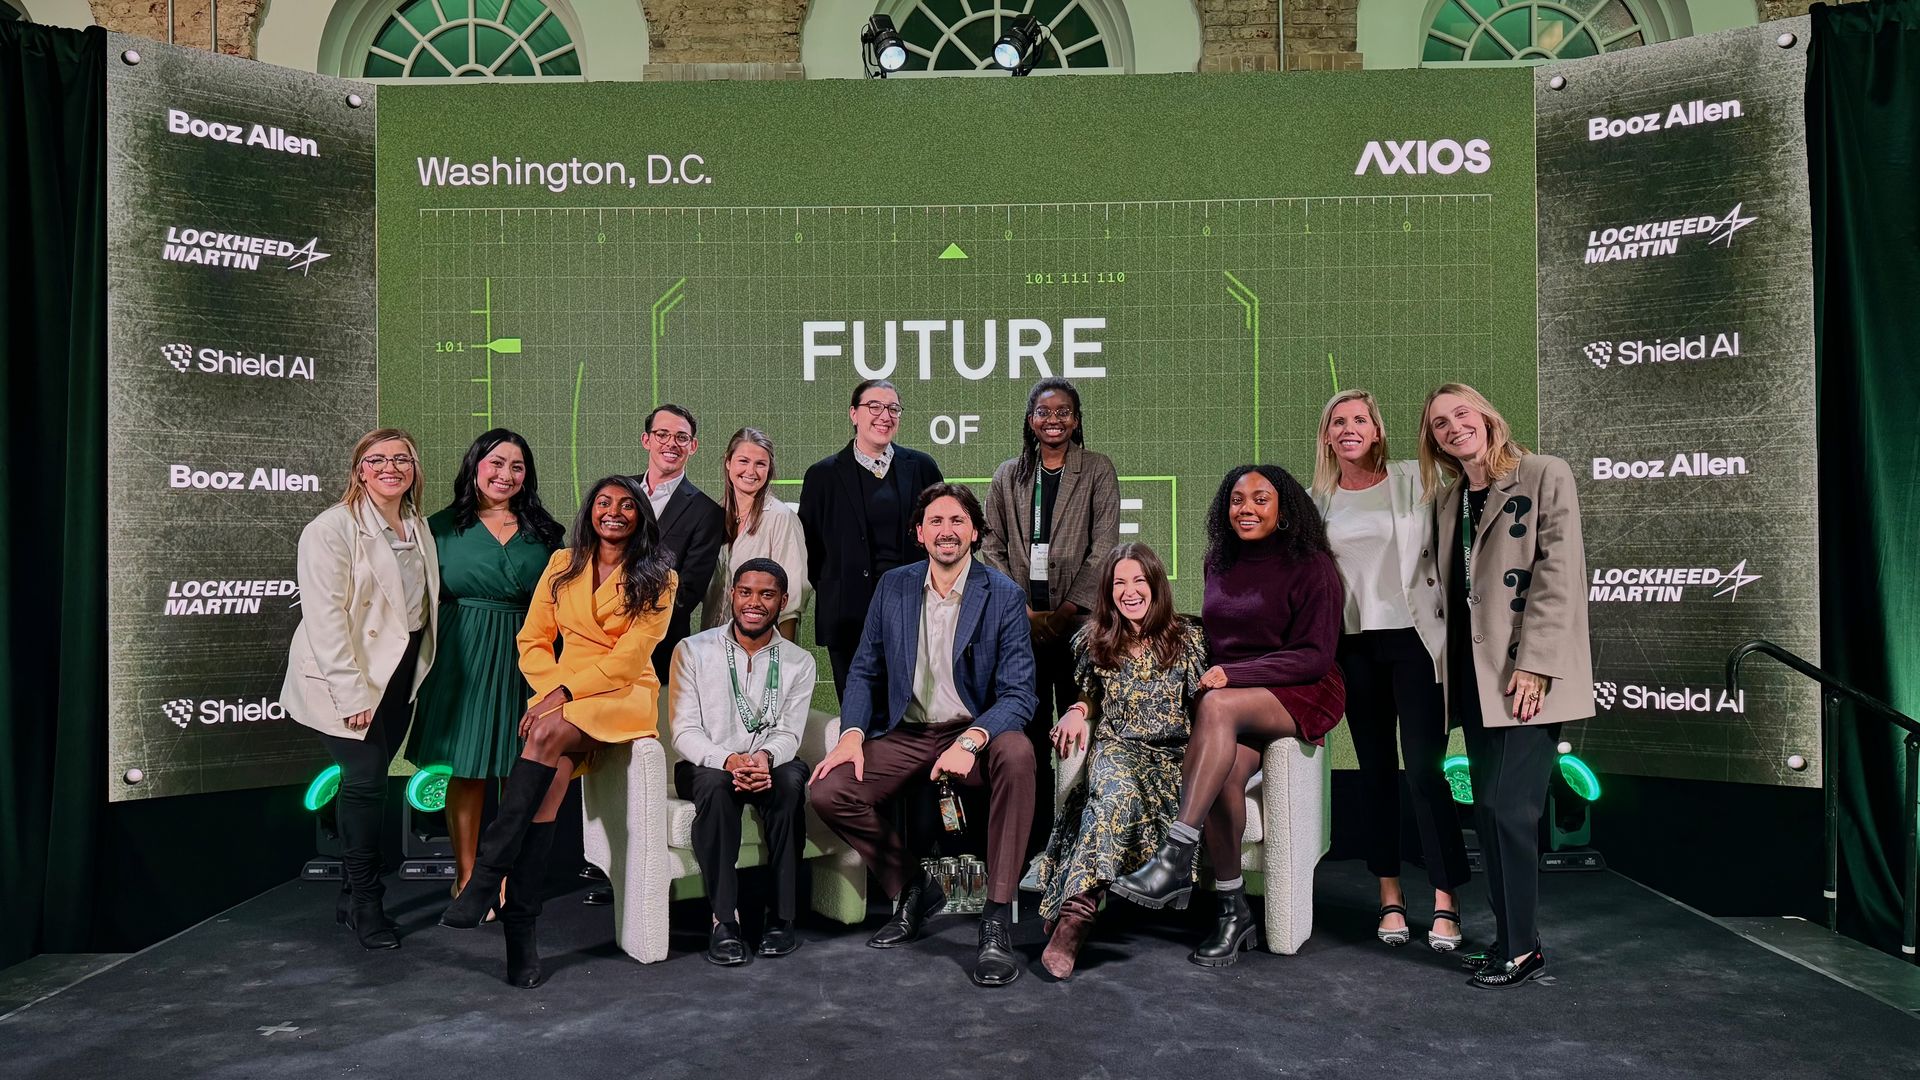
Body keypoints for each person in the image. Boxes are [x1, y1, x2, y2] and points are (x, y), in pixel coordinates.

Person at [440, 476, 676, 989]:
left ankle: (484, 878)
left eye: (627, 505)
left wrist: (562, 696)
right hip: (563, 698)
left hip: (623, 695)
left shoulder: (660, 576)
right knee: (545, 800)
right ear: (590, 511)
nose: (613, 512)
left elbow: (629, 658)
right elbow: (532, 640)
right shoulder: (561, 565)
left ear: (640, 517)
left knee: (543, 736)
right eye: (604, 503)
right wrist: (552, 692)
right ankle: (520, 935)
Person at [1110, 465, 1345, 969]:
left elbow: (1315, 655)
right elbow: (1221, 638)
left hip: (1301, 690)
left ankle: (1174, 855)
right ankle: (1232, 911)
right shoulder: (1219, 561)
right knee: (1220, 778)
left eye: (1261, 499)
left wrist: (1234, 677)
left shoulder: (1313, 565)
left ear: (1284, 509)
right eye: (1238, 500)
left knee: (1215, 704)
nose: (1248, 509)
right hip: (1237, 701)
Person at [809, 483, 1038, 987]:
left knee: (1019, 753)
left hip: (974, 729)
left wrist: (972, 740)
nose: (946, 531)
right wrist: (850, 733)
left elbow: (1020, 695)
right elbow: (866, 670)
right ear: (919, 534)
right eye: (935, 521)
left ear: (974, 532)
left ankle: (996, 919)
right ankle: (912, 886)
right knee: (829, 789)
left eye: (957, 521)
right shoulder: (894, 586)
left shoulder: (1002, 595)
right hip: (909, 731)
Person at [1419, 383, 1594, 989]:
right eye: (1439, 423)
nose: (1452, 427)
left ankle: (1521, 948)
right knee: (1491, 812)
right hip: (1474, 679)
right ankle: (1512, 940)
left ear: (1488, 416)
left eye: (1461, 414)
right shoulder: (1447, 501)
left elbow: (1558, 575)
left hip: (1526, 675)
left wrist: (1537, 663)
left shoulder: (1545, 473)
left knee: (1506, 809)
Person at [1311, 390, 1466, 951]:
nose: (1349, 428)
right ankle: (1390, 896)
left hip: (1417, 642)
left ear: (1377, 430)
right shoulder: (1317, 500)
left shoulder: (1414, 478)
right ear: (1326, 436)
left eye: (1360, 420)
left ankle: (1447, 900)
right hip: (1354, 649)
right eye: (1338, 422)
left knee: (1425, 771)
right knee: (1376, 772)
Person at [280, 429, 438, 951]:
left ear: (413, 469)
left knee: (367, 781)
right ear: (360, 470)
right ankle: (367, 904)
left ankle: (352, 894)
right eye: (378, 460)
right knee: (367, 782)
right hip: (345, 676)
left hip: (396, 673)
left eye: (401, 459)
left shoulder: (416, 525)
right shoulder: (330, 528)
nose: (390, 467)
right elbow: (324, 621)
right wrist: (352, 696)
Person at [406, 430, 565, 919]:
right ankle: (467, 874)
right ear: (475, 465)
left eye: (517, 467)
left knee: (517, 770)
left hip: (527, 651)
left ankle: (501, 877)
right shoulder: (435, 528)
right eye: (496, 463)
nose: (505, 475)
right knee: (469, 765)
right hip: (462, 652)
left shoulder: (547, 533)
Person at [1032, 542, 1206, 980]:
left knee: (1128, 799)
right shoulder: (1093, 638)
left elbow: (1205, 707)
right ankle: (1077, 917)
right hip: (1118, 744)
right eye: (1118, 583)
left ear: (1155, 585)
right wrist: (1075, 710)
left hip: (1173, 753)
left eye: (1138, 581)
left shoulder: (1189, 638)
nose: (1129, 592)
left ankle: (1073, 905)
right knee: (1114, 792)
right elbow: (1089, 696)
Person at [983, 377, 1120, 856]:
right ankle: (1034, 842)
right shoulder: (1007, 475)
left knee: (1083, 729)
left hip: (1080, 624)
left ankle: (1081, 841)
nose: (1054, 419)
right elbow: (990, 545)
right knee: (1029, 731)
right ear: (1030, 420)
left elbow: (1104, 548)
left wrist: (1064, 613)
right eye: (1044, 411)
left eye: (1064, 411)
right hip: (1022, 625)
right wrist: (1022, 609)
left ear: (1077, 420)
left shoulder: (1098, 470)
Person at [670, 558, 817, 965]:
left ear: (782, 601)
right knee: (716, 790)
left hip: (770, 760)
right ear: (733, 595)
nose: (755, 602)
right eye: (746, 592)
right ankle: (724, 921)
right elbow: (683, 731)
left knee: (789, 787)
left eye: (767, 594)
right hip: (708, 763)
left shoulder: (799, 662)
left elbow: (790, 732)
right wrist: (729, 759)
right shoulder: (692, 651)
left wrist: (764, 759)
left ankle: (781, 918)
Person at [798, 379, 944, 699]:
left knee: (909, 717)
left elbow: (940, 537)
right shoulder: (822, 476)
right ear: (854, 414)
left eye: (893, 409)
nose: (884, 415)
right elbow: (810, 550)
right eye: (874, 407)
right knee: (857, 716)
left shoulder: (922, 467)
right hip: (847, 618)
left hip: (912, 613)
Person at [636, 403, 725, 679]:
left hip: (659, 650)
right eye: (662, 434)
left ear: (693, 446)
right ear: (646, 440)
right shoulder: (617, 493)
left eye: (681, 437)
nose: (671, 444)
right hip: (599, 645)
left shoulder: (707, 512)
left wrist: (632, 624)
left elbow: (687, 594)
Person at [702, 427, 810, 641]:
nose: (751, 471)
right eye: (743, 461)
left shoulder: (781, 517)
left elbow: (792, 599)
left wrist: (781, 660)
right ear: (728, 463)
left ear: (769, 470)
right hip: (714, 642)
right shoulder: (714, 515)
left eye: (760, 464)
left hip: (764, 645)